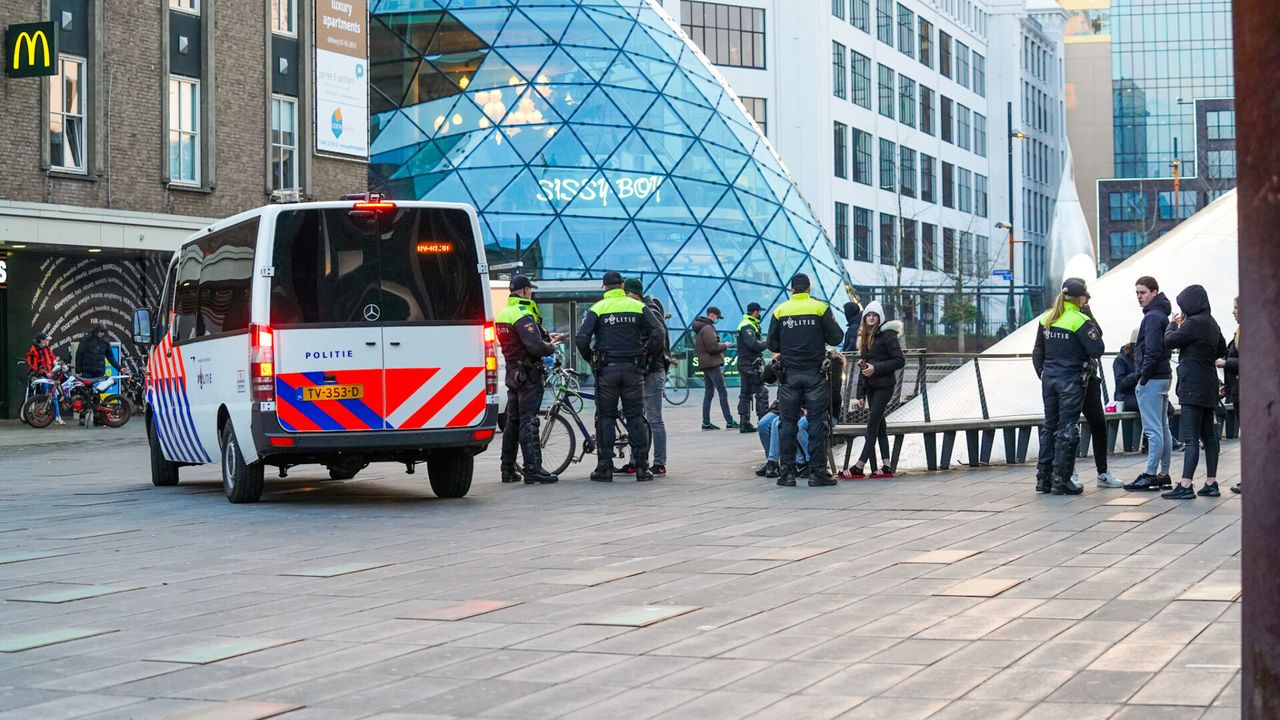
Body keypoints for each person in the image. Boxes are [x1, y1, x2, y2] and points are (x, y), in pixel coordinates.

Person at [576, 271, 661, 482]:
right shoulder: (638, 307)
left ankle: (605, 467)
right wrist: (646, 356)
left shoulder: (597, 308)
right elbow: (658, 333)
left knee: (605, 417)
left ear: (604, 288)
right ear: (622, 286)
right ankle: (642, 467)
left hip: (607, 370)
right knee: (635, 417)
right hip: (633, 369)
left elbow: (581, 338)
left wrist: (591, 360)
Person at [766, 273, 844, 487]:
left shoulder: (780, 310)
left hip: (789, 375)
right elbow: (837, 337)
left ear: (792, 289)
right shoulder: (820, 308)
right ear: (809, 288)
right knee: (816, 422)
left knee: (787, 423)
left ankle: (787, 473)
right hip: (814, 374)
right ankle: (817, 472)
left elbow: (772, 344)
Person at [1031, 278, 1105, 495]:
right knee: (1067, 429)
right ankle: (1061, 480)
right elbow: (1097, 349)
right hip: (1071, 380)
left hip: (1050, 380)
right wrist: (1088, 316)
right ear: (1081, 298)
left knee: (1049, 427)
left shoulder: (1047, 318)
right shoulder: (1079, 320)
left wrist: (1043, 373)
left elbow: (1037, 350)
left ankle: (1043, 479)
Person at [1162, 285, 1227, 499]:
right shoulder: (1212, 323)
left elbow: (1169, 341)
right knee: (1209, 436)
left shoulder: (1193, 323)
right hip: (1208, 385)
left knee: (1190, 437)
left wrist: (1173, 324)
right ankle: (1211, 482)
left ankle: (1185, 485)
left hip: (1192, 386)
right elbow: (1221, 349)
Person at [494, 275, 560, 485]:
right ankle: (533, 469)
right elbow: (535, 347)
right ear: (524, 291)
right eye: (530, 289)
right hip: (528, 374)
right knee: (528, 421)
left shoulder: (503, 313)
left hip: (513, 373)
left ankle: (508, 469)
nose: (531, 292)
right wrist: (551, 347)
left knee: (513, 421)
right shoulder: (522, 314)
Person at [839, 301, 904, 479]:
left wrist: (876, 368)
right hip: (871, 388)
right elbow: (864, 365)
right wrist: (861, 393)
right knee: (880, 426)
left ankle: (859, 467)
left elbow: (899, 360)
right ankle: (886, 466)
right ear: (864, 317)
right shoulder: (865, 337)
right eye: (868, 315)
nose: (871, 317)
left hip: (884, 386)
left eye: (875, 315)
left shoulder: (888, 335)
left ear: (880, 317)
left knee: (872, 425)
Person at [1124, 276, 1175, 491]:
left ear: (1154, 292)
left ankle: (1150, 474)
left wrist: (1142, 378)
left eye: (1143, 292)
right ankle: (1163, 473)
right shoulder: (1162, 314)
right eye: (1137, 293)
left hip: (1153, 379)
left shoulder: (1152, 317)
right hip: (1163, 376)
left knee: (1153, 430)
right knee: (1163, 427)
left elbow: (1152, 351)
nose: (1139, 297)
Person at [619, 279, 670, 476]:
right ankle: (636, 460)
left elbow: (658, 339)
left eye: (626, 293)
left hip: (652, 371)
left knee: (654, 418)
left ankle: (659, 462)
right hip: (641, 371)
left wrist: (645, 360)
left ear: (634, 293)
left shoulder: (649, 310)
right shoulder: (640, 308)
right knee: (638, 418)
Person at [1077, 300, 1122, 488]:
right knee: (1066, 428)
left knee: (1098, 424)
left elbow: (1098, 338)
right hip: (1070, 380)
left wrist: (1088, 313)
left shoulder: (1085, 315)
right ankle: (1066, 472)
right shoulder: (1057, 316)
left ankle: (1102, 472)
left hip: (1089, 379)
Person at [693, 307, 737, 430]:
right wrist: (724, 345)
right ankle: (729, 421)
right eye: (717, 317)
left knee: (709, 393)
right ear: (712, 315)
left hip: (705, 364)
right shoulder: (708, 328)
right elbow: (712, 347)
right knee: (722, 391)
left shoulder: (700, 327)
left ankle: (706, 422)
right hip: (712, 364)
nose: (717, 319)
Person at [736, 302, 770, 433]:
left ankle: (744, 423)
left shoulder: (747, 324)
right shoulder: (747, 326)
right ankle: (763, 422)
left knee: (745, 393)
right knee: (762, 391)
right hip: (750, 364)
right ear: (755, 312)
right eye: (759, 312)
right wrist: (767, 344)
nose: (760, 314)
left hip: (745, 364)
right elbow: (753, 344)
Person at [754, 400, 809, 478]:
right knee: (763, 424)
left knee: (779, 423)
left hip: (800, 408)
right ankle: (772, 462)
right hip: (783, 407)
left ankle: (777, 461)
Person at [1218, 297, 1240, 494]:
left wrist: (1225, 363)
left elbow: (1249, 359)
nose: (1233, 312)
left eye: (1236, 308)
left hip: (1245, 391)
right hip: (1238, 388)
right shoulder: (1241, 331)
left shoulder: (1248, 331)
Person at [25, 333, 64, 426]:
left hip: (49, 376)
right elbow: (33, 364)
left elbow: (52, 358)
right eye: (46, 339)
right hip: (41, 376)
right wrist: (42, 372)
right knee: (48, 395)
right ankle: (46, 416)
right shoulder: (33, 349)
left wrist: (57, 364)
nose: (48, 341)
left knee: (53, 395)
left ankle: (57, 417)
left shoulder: (47, 348)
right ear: (41, 340)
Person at [1113, 329, 1141, 451]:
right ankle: (1147, 440)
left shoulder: (1141, 358)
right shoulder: (1121, 360)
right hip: (1125, 397)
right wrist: (1137, 374)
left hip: (1139, 395)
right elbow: (1120, 384)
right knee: (1150, 405)